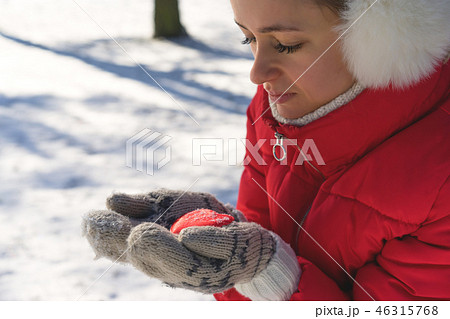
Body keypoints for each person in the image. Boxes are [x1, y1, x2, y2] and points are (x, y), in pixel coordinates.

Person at [82, 0, 450, 301]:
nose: (257, 74)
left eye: (287, 45)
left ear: (386, 39)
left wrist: (271, 276)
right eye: (249, 40)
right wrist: (223, 237)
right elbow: (263, 228)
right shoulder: (271, 109)